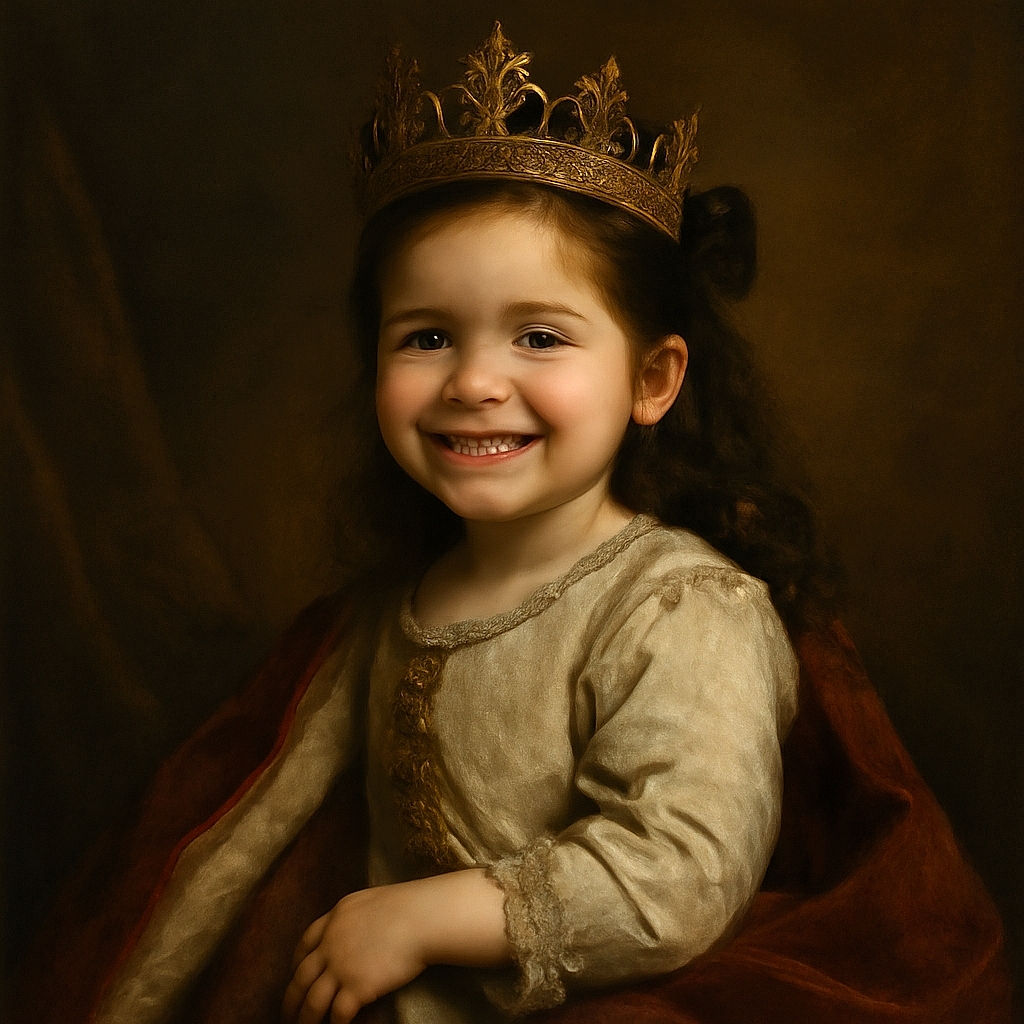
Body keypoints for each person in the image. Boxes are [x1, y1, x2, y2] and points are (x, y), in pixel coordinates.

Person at [12, 23, 1011, 1024]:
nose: (475, 382)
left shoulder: (681, 608)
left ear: (652, 379)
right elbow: (233, 838)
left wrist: (419, 919)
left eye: (539, 335)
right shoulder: (379, 614)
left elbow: (681, 875)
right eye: (428, 336)